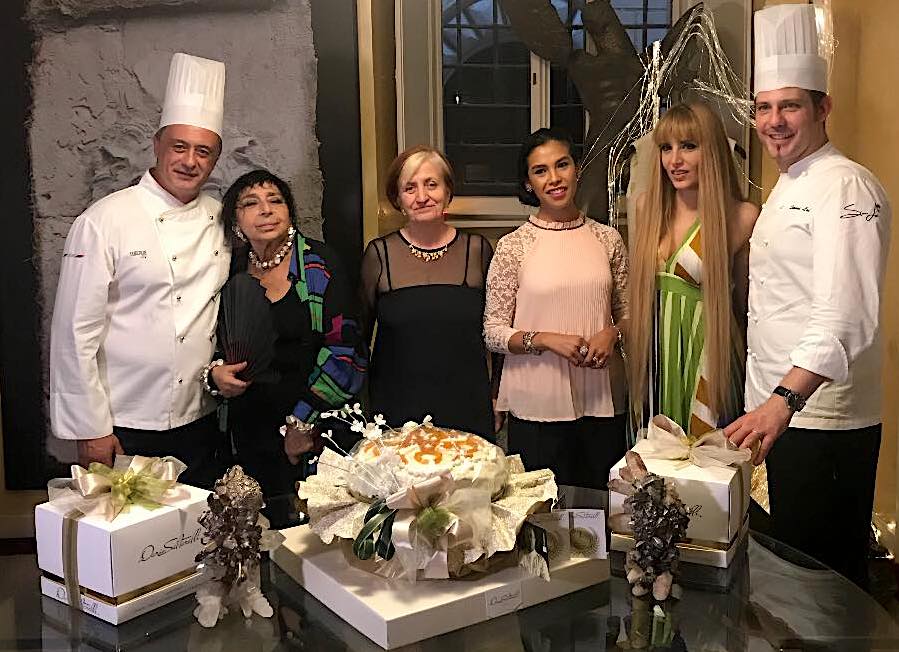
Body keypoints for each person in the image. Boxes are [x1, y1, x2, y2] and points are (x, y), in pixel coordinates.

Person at [726, 4, 891, 589]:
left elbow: (845, 313)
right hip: (775, 416)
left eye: (790, 106)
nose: (773, 121)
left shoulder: (846, 185)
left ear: (823, 108)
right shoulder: (787, 185)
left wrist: (782, 400)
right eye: (764, 107)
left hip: (820, 422)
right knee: (780, 579)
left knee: (822, 588)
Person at [50, 53, 231, 487]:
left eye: (203, 151)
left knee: (198, 524)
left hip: (200, 419)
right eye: (179, 147)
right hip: (122, 423)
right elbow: (74, 331)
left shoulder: (222, 218)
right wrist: (90, 427)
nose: (189, 161)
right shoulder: (104, 220)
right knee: (128, 528)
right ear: (157, 145)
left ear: (215, 159)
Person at [209, 169, 367, 527]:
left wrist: (302, 422)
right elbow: (207, 340)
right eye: (251, 203)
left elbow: (347, 353)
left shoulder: (319, 265)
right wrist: (216, 373)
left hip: (314, 426)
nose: (266, 210)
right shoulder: (227, 270)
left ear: (289, 212)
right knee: (254, 534)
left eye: (275, 200)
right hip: (247, 429)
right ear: (236, 221)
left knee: (313, 534)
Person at [484, 127, 629, 488]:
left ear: (576, 169)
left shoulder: (608, 239)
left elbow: (629, 314)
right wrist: (545, 339)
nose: (554, 178)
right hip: (535, 403)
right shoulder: (513, 246)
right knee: (542, 511)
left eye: (561, 165)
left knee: (599, 507)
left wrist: (612, 333)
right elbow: (493, 332)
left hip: (601, 398)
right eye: (540, 171)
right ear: (528, 183)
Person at [628, 101, 758, 438]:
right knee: (655, 458)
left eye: (688, 146)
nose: (674, 160)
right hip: (656, 354)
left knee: (705, 456)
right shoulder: (647, 207)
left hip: (708, 355)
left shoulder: (740, 216)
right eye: (666, 148)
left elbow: (745, 305)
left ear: (712, 151)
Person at [360, 145, 496, 438]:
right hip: (395, 408)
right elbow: (358, 340)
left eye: (431, 184)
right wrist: (365, 408)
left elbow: (495, 334)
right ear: (398, 199)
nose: (422, 197)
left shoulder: (477, 251)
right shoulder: (379, 255)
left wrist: (498, 395)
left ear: (448, 191)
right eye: (410, 188)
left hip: (467, 404)